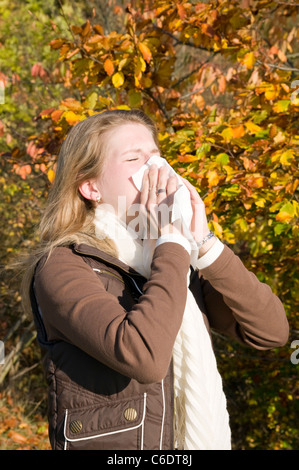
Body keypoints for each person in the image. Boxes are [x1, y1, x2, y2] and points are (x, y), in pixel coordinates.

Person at [21, 109, 289, 451]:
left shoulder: (174, 261)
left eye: (157, 157)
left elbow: (271, 332)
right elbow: (144, 358)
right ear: (90, 186)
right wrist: (172, 244)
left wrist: (204, 243)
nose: (156, 170)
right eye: (134, 158)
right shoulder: (64, 265)